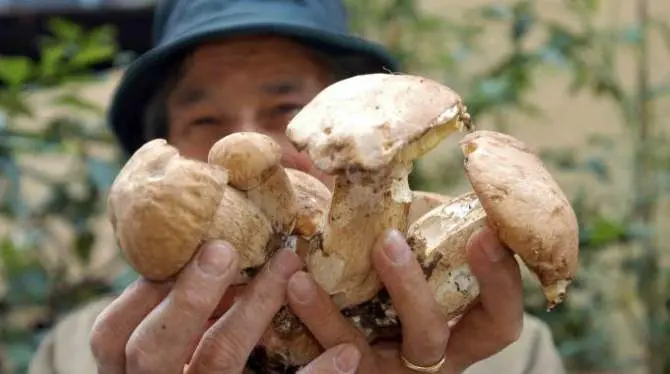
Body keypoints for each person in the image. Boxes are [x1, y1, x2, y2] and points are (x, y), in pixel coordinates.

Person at [27, 0, 567, 373]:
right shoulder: (80, 354)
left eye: (287, 107)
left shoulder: (503, 353)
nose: (245, 137)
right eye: (203, 120)